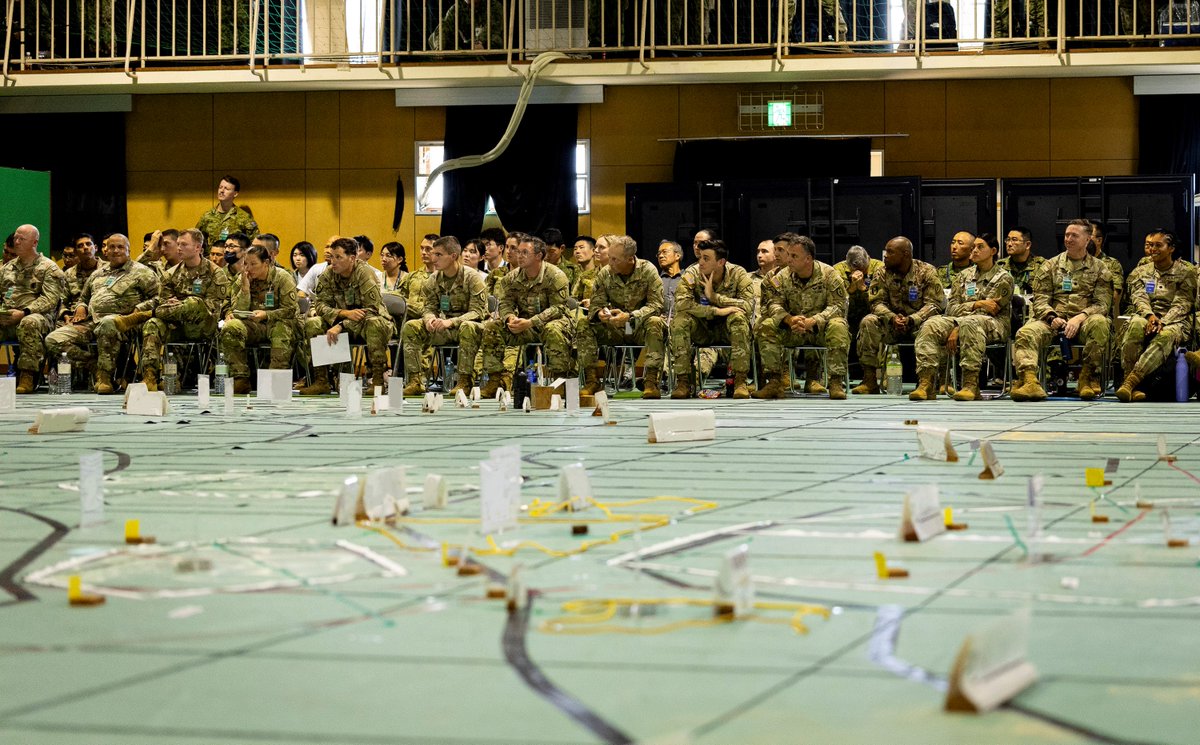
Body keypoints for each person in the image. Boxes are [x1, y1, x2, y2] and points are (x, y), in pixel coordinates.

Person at [1010, 219, 1113, 402]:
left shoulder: (1100, 268)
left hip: (1083, 322)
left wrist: (1080, 318)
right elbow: (1040, 299)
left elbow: (1103, 303)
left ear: (1088, 239)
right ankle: (1029, 381)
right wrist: (1051, 317)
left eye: (1074, 235)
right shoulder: (1050, 265)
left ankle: (1087, 378)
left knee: (1100, 323)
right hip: (1053, 321)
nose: (1069, 239)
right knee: (1026, 332)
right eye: (1067, 235)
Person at [45, 233, 160, 394]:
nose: (115, 250)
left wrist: (140, 308)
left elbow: (158, 297)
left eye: (120, 247)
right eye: (111, 247)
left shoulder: (142, 272)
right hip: (92, 322)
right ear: (105, 250)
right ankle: (94, 365)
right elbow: (83, 298)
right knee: (53, 340)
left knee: (108, 322)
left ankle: (105, 378)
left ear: (128, 250)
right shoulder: (98, 273)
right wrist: (81, 307)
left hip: (125, 323)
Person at [910, 231, 1014, 401]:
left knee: (971, 323)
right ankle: (927, 383)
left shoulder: (1003, 278)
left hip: (995, 325)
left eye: (980, 247)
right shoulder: (963, 276)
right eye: (973, 247)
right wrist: (976, 303)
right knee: (932, 324)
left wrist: (960, 324)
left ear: (993, 251)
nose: (974, 251)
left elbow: (990, 310)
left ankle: (970, 385)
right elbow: (951, 308)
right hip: (961, 321)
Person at [753, 234, 851, 400]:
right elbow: (772, 304)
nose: (788, 260)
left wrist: (814, 321)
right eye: (789, 255)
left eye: (794, 256)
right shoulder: (781, 277)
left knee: (838, 325)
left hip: (819, 330)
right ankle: (774, 382)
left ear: (808, 259)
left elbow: (838, 306)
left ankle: (835, 383)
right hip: (793, 329)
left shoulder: (829, 275)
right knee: (767, 324)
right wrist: (788, 319)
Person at [479, 235, 571, 397]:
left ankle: (559, 381)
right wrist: (509, 318)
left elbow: (559, 308)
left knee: (553, 329)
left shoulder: (555, 276)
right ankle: (495, 380)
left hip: (552, 323)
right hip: (523, 325)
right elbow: (505, 303)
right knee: (492, 327)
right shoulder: (511, 278)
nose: (519, 256)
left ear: (539, 256)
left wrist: (531, 322)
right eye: (517, 251)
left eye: (524, 252)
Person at [138, 229, 230, 391]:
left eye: (184, 244)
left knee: (194, 303)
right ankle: (150, 376)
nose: (179, 248)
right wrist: (176, 308)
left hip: (204, 327)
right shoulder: (170, 274)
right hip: (177, 325)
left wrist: (180, 304)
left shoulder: (216, 273)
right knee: (153, 324)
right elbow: (164, 303)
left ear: (197, 248)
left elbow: (210, 308)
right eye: (178, 244)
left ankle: (145, 315)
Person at [301, 237, 395, 394]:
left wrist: (341, 325)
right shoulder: (328, 274)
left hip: (369, 321)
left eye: (338, 257)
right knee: (313, 324)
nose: (333, 261)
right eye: (331, 257)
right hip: (341, 320)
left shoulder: (365, 273)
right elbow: (320, 305)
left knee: (375, 324)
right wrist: (343, 314)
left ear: (352, 258)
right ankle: (321, 381)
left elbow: (371, 309)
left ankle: (378, 381)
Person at [577, 235, 667, 399]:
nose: (610, 263)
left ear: (630, 259)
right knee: (584, 323)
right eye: (610, 258)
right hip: (615, 329)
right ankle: (592, 381)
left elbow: (657, 305)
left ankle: (651, 382)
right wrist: (600, 314)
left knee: (655, 322)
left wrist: (631, 316)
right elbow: (596, 305)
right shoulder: (605, 273)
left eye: (615, 259)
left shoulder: (648, 270)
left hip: (640, 328)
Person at [851, 236, 943, 394]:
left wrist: (912, 319)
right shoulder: (882, 272)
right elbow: (876, 302)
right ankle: (869, 380)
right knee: (868, 321)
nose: (885, 255)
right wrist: (892, 317)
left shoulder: (927, 271)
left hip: (918, 325)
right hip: (891, 325)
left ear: (906, 254)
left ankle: (926, 383)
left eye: (890, 252)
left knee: (932, 325)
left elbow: (934, 304)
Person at [400, 236, 487, 396]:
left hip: (472, 328)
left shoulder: (472, 278)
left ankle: (464, 381)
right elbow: (428, 307)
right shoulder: (434, 279)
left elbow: (478, 312)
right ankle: (416, 380)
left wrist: (451, 322)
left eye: (438, 255)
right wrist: (429, 319)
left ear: (453, 256)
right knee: (411, 327)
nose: (433, 259)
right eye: (433, 254)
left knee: (468, 327)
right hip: (444, 327)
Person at [668, 238, 755, 399]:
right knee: (680, 320)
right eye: (700, 257)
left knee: (739, 318)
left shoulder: (738, 273)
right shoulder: (692, 273)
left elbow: (748, 305)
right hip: (703, 328)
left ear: (721, 262)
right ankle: (683, 382)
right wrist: (715, 311)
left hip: (727, 330)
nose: (700, 262)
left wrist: (715, 297)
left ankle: (740, 381)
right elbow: (682, 304)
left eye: (706, 258)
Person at [1116, 231, 1196, 402]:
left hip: (1175, 320)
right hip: (1146, 316)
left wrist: (1163, 321)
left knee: (1166, 335)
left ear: (1171, 249)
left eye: (1158, 245)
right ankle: (1133, 386)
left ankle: (1132, 382)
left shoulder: (1185, 273)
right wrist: (1151, 316)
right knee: (1135, 325)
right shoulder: (1140, 272)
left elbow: (1183, 303)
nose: (1152, 249)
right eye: (1151, 245)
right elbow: (1139, 297)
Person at [218, 244, 302, 394]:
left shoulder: (282, 277)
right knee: (231, 327)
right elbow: (238, 310)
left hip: (280, 324)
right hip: (254, 325)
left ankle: (275, 380)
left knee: (281, 330)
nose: (248, 268)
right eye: (245, 263)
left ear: (266, 263)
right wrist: (245, 288)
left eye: (253, 264)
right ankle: (240, 378)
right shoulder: (243, 277)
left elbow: (290, 310)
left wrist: (267, 315)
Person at [0, 225, 67, 394]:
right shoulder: (7, 268)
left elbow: (50, 299)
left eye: (21, 239)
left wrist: (24, 312)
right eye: (15, 238)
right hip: (7, 317)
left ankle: (27, 376)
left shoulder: (49, 268)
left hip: (38, 318)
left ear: (34, 242)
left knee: (29, 323)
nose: (16, 241)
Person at [196, 175, 258, 250]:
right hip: (212, 259)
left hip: (234, 260)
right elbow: (197, 239)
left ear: (235, 193)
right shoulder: (207, 216)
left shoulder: (244, 218)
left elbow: (254, 244)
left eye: (226, 189)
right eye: (220, 187)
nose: (221, 191)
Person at [61, 234, 104, 318]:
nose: (85, 247)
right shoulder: (69, 274)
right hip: (74, 316)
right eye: (80, 246)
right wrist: (65, 315)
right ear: (76, 252)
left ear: (95, 248)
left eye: (88, 244)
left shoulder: (109, 269)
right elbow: (62, 300)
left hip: (100, 315)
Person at [996, 226, 1043, 295]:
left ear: (1027, 245)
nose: (1009, 244)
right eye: (1008, 240)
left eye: (1014, 240)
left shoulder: (1042, 266)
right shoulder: (999, 266)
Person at [657, 239, 684, 320]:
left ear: (677, 256)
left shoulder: (688, 278)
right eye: (659, 253)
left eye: (665, 252)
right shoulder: (655, 280)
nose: (660, 256)